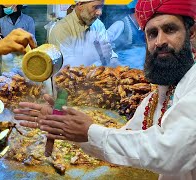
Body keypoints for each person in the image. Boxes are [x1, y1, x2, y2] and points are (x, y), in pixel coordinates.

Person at [14, 0, 196, 179]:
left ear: (192, 33)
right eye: (152, 34)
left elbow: (170, 152)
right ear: (80, 5)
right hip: (72, 83)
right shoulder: (161, 92)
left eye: (170, 29)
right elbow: (129, 137)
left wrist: (89, 131)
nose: (160, 41)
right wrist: (66, 124)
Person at [48, 0, 119, 67]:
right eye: (95, 7)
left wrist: (115, 62)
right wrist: (92, 56)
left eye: (101, 7)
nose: (100, 12)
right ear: (80, 5)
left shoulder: (98, 25)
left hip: (97, 76)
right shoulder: (61, 28)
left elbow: (108, 52)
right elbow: (64, 66)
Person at [107, 0, 146, 69]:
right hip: (123, 68)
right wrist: (112, 58)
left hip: (140, 68)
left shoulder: (144, 27)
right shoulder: (120, 24)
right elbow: (103, 41)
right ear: (136, 11)